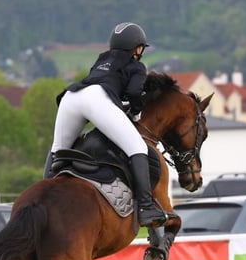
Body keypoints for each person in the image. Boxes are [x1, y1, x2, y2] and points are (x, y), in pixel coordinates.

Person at [44, 21, 167, 227]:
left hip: (71, 97)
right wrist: (136, 112)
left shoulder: (102, 59)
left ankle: (45, 196)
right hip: (96, 98)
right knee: (137, 148)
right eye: (140, 48)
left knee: (58, 149)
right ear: (135, 48)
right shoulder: (136, 66)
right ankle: (146, 207)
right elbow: (135, 93)